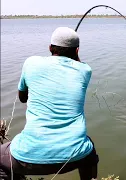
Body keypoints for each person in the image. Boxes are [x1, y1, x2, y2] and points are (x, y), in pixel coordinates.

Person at [0, 27, 99, 180]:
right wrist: (74, 55)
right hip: (75, 158)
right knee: (89, 150)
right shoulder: (85, 70)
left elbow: (22, 98)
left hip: (26, 159)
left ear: (50, 47)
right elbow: (79, 64)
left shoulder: (31, 63)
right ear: (77, 50)